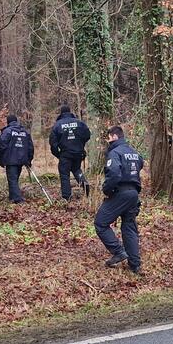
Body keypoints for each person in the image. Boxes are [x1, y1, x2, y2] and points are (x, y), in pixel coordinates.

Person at [94, 126, 144, 274]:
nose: (108, 140)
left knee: (100, 223)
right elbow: (140, 164)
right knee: (129, 227)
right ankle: (135, 265)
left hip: (120, 192)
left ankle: (118, 251)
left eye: (109, 137)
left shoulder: (114, 153)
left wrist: (107, 190)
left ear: (115, 136)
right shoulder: (134, 152)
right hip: (133, 193)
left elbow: (114, 173)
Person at [49, 104, 91, 200]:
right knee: (76, 169)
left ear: (61, 113)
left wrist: (58, 154)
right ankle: (84, 183)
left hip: (65, 153)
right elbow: (87, 135)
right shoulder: (80, 123)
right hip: (78, 153)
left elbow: (53, 143)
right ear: (70, 112)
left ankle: (66, 196)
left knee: (64, 173)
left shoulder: (57, 125)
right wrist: (80, 145)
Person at [0, 114, 34, 204]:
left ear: (8, 122)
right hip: (22, 159)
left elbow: (2, 145)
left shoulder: (7, 131)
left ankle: (18, 199)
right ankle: (13, 197)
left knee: (12, 179)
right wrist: (29, 160)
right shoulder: (25, 132)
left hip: (11, 160)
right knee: (15, 178)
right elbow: (30, 147)